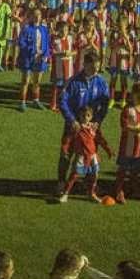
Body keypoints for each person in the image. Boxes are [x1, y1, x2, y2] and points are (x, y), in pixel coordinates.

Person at [57, 51, 111, 194]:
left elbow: (105, 103)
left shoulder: (101, 82)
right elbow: (62, 101)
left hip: (90, 127)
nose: (96, 70)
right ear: (85, 65)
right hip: (74, 125)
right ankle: (61, 182)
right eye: (93, 67)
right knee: (67, 153)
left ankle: (88, 183)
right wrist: (71, 120)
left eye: (98, 67)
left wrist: (98, 120)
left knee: (90, 154)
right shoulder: (73, 81)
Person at [61, 107, 113, 203]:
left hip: (92, 156)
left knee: (95, 175)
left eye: (88, 115)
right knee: (74, 174)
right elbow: (68, 139)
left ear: (91, 117)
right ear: (79, 116)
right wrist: (65, 149)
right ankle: (65, 193)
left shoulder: (93, 128)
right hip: (81, 156)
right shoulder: (77, 128)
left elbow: (100, 140)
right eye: (83, 115)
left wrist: (108, 149)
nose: (85, 117)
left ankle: (92, 193)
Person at [16, 7, 51, 112]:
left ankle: (36, 100)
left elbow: (47, 43)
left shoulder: (44, 29)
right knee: (25, 80)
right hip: (28, 58)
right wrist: (32, 50)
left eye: (39, 15)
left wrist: (46, 54)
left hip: (40, 59)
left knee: (37, 81)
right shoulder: (26, 29)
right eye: (35, 15)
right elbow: (21, 43)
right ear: (30, 16)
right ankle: (22, 101)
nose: (37, 17)